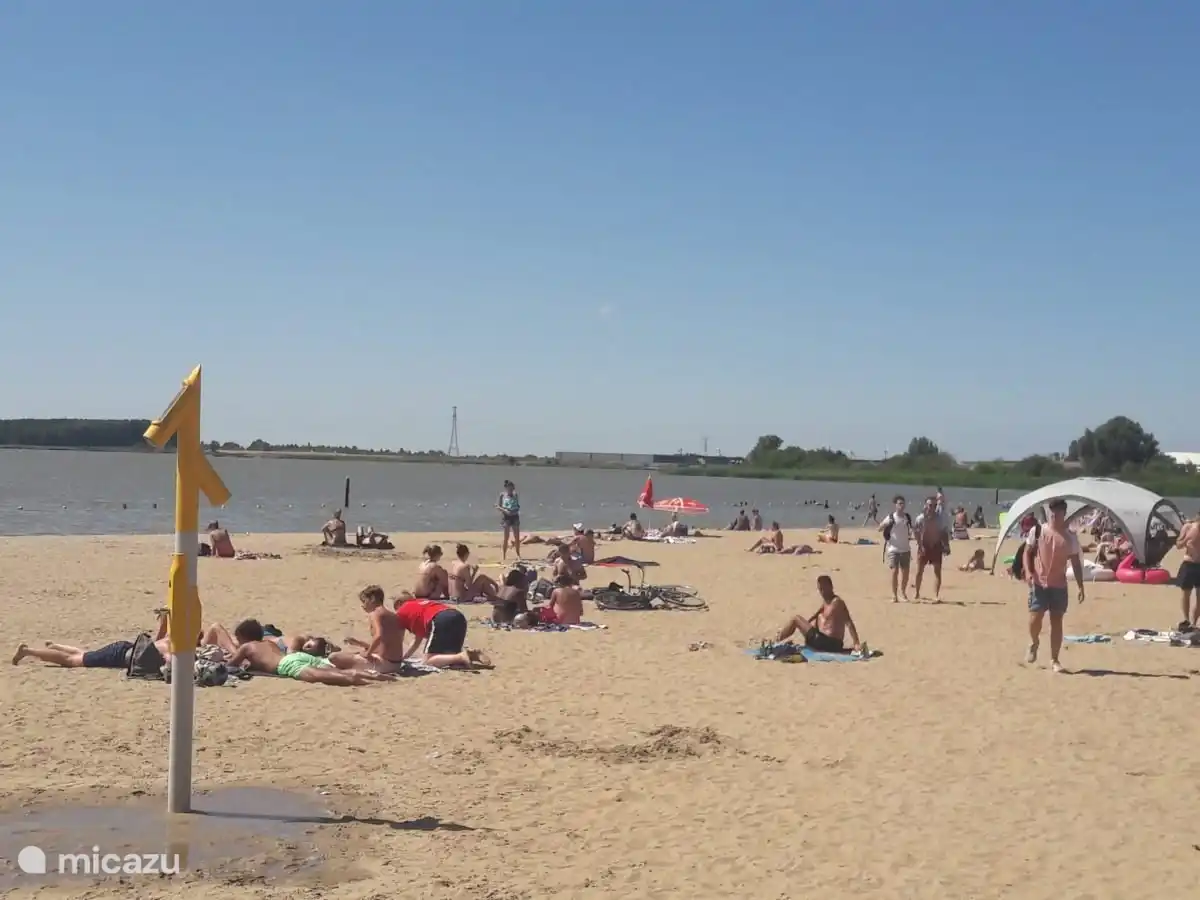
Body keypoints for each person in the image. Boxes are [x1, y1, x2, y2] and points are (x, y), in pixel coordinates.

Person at [1022, 498, 1085, 673]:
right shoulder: (1038, 530)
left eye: (1057, 512)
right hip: (1039, 583)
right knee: (1035, 618)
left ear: (1064, 514)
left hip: (1059, 585)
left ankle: (1054, 659)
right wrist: (1028, 571)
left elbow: (1076, 562)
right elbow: (1027, 553)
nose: (1053, 515)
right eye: (1052, 512)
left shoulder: (1070, 537)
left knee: (1056, 621)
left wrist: (1080, 586)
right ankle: (1034, 642)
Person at [227, 620, 393, 685]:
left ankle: (370, 682)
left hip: (288, 664)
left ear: (243, 638)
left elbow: (231, 666)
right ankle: (375, 675)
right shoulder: (268, 643)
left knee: (332, 677)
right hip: (296, 657)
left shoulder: (246, 647)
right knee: (335, 670)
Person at [393, 597, 491, 669]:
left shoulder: (401, 612)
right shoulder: (420, 604)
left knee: (428, 661)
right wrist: (404, 657)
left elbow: (398, 640)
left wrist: (397, 659)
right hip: (457, 616)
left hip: (440, 618)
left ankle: (461, 656)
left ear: (399, 603)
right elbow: (416, 641)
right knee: (449, 658)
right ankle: (469, 656)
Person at [775, 575, 862, 654]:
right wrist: (806, 626)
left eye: (824, 589)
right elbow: (814, 616)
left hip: (829, 643)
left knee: (796, 618)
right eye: (820, 589)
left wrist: (856, 643)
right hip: (822, 641)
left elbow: (849, 622)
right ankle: (779, 639)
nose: (822, 592)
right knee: (816, 619)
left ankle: (776, 641)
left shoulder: (837, 602)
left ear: (831, 587)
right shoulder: (826, 602)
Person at [332, 585, 409, 673]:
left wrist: (368, 654)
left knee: (334, 657)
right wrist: (359, 643)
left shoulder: (375, 613)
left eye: (364, 601)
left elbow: (379, 636)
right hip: (396, 664)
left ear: (372, 599)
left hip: (384, 665)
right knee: (358, 653)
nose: (363, 605)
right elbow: (385, 645)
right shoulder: (394, 616)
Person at [913, 496, 950, 603]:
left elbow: (944, 532)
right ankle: (917, 593)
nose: (932, 507)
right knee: (919, 571)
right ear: (925, 505)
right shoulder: (920, 518)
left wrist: (946, 546)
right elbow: (915, 531)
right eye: (930, 505)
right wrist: (920, 545)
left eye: (934, 505)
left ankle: (935, 595)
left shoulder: (940, 519)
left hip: (936, 546)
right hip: (924, 546)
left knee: (937, 572)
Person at [879, 495, 913, 602]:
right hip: (893, 549)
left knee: (906, 573)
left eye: (903, 503)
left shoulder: (907, 517)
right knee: (894, 572)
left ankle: (902, 592)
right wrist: (886, 524)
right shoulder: (891, 517)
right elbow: (879, 528)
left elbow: (911, 530)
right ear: (895, 505)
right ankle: (894, 595)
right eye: (899, 504)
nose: (901, 506)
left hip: (905, 549)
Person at [1174, 513, 1200, 631]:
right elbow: (1178, 545)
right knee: (1186, 595)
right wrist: (1186, 540)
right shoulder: (1188, 527)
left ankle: (1194, 623)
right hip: (1189, 563)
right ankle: (1186, 620)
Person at [497, 480, 522, 560]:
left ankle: (518, 554)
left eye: (512, 488)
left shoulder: (515, 495)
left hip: (515, 516)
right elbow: (498, 507)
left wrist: (516, 510)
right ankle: (504, 554)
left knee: (517, 537)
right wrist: (505, 511)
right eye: (509, 488)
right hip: (506, 517)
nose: (511, 490)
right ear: (506, 488)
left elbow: (517, 505)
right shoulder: (502, 495)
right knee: (506, 537)